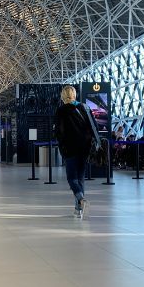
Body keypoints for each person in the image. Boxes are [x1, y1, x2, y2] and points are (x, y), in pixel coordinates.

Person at [54, 84, 100, 219]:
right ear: (75, 94)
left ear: (63, 96)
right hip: (85, 147)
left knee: (71, 178)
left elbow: (59, 131)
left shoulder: (61, 110)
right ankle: (78, 209)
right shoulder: (84, 107)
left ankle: (81, 199)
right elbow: (94, 126)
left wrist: (62, 144)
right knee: (80, 178)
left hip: (70, 148)